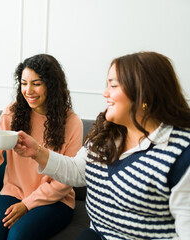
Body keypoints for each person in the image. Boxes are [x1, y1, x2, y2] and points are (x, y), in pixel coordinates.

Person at [14, 51, 190, 239]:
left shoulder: (181, 152)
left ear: (143, 93)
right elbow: (77, 171)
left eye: (113, 85)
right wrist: (37, 151)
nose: (105, 93)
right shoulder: (107, 132)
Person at [0, 54, 83, 240]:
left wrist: (27, 204)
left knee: (18, 236)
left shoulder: (72, 123)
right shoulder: (12, 113)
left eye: (36, 83)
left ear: (52, 85)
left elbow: (66, 182)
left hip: (56, 200)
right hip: (14, 191)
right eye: (24, 83)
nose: (28, 90)